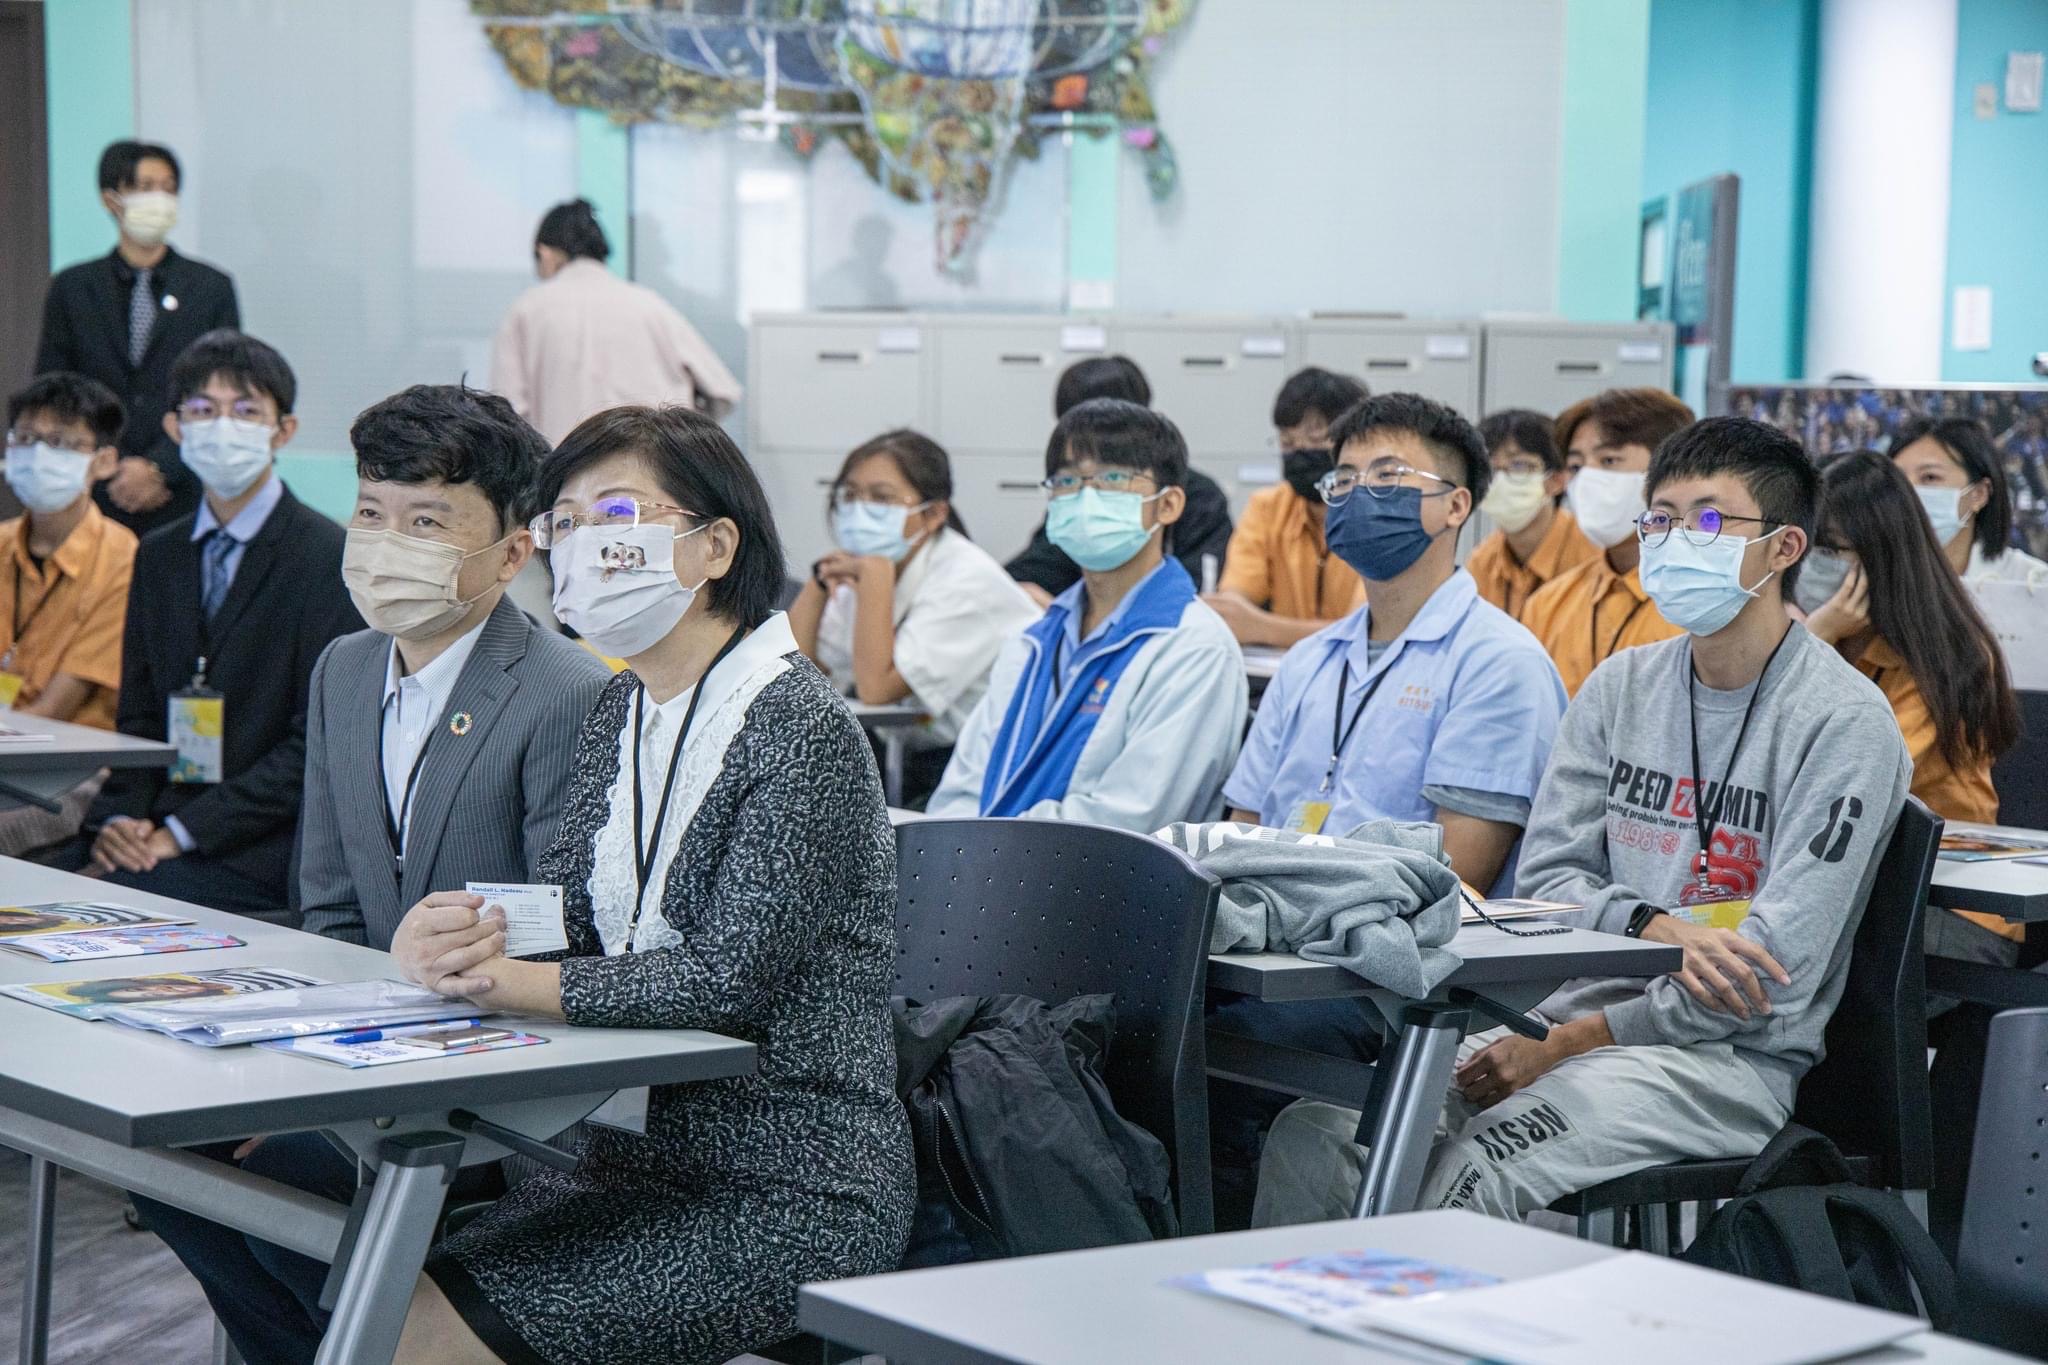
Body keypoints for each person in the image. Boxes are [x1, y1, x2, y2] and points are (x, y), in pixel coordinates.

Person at [1253, 417, 1914, 1225]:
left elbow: (1767, 977)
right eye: (1661, 518)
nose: (1675, 539)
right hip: (1549, 1016)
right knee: (1318, 1135)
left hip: (1715, 1062)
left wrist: (1573, 1041)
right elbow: (1548, 881)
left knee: (1470, 1174)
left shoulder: (1844, 721)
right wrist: (1648, 924)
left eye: (1708, 519)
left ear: (1784, 547)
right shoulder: (1620, 687)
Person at [377, 404, 911, 1364]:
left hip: (786, 1181)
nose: (585, 543)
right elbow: (571, 919)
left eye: (617, 513)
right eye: (567, 521)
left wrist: (511, 982)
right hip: (610, 1156)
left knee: (406, 1330)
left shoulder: (803, 727)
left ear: (715, 547)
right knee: (366, 1293)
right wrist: (460, 935)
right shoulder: (622, 702)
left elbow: (726, 979)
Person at [134, 383, 613, 1364]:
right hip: (362, 1049)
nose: (387, 544)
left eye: (427, 522)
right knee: (163, 1158)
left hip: (496, 1081)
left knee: (280, 1186)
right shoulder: (345, 669)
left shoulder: (565, 690)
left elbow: (566, 934)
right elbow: (329, 906)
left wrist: (346, 1096)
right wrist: (311, 1075)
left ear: (511, 553)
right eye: (371, 513)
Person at [45, 330, 362, 920]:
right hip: (154, 826)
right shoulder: (158, 553)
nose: (223, 427)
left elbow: (313, 744)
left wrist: (181, 834)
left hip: (262, 844)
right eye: (203, 410)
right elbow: (139, 717)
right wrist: (119, 822)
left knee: (103, 907)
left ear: (283, 430)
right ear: (175, 428)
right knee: (35, 890)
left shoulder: (325, 556)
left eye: (245, 411)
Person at [1221, 393, 1567, 898]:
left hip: (1402, 940)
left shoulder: (1499, 663)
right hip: (1269, 928)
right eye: (1344, 479)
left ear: (1455, 505)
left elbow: (1452, 880)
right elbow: (1241, 830)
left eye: (1388, 475)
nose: (1359, 492)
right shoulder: (1308, 660)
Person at [929, 398, 1247, 832]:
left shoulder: (1195, 648)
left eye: (1113, 478)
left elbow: (1130, 819)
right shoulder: (1032, 641)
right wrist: (954, 850)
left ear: (1168, 505)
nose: (1086, 497)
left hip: (1099, 874)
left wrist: (985, 846)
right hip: (988, 864)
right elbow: (962, 789)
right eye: (1067, 481)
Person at [1796, 450, 2022, 960]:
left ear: (1881, 556)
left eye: (1831, 549)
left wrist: (1816, 638)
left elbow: (1857, 781)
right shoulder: (1823, 636)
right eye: (1807, 545)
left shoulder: (1947, 655)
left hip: (1947, 906)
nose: (1811, 564)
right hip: (1853, 887)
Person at [789, 429, 1040, 804]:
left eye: (881, 498)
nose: (860, 510)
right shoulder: (871, 569)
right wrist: (818, 584)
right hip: (911, 756)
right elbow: (795, 675)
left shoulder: (965, 580)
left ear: (934, 514)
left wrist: (875, 579)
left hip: (988, 767)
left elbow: (877, 690)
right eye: (850, 495)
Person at [34, 140, 239, 535]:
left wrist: (161, 467)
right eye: (145, 187)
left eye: (168, 187)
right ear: (111, 198)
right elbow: (55, 389)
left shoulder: (211, 288)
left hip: (184, 489)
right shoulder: (73, 287)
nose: (159, 198)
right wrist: (107, 462)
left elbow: (223, 390)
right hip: (93, 487)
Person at [0, 374, 137, 856]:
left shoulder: (124, 558)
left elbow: (53, 713)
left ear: (104, 461)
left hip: (71, 768)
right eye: (25, 438)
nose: (38, 454)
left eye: (59, 442)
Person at [489, 199, 741, 445]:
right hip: (653, 463)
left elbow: (507, 413)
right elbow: (724, 391)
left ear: (544, 253)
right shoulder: (651, 306)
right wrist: (679, 439)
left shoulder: (526, 310)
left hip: (564, 466)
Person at [1004, 356, 1234, 606]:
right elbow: (1035, 569)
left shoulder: (1200, 498)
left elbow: (1202, 596)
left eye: (1112, 477)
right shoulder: (1076, 497)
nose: (1089, 494)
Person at [1521, 388, 1694, 694]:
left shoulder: (1698, 601)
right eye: (1576, 466)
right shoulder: (1548, 605)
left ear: (1669, 468)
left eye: (1609, 460)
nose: (1588, 479)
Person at [1204, 367, 1370, 647]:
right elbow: (1234, 607)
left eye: (1317, 441)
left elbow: (1365, 631)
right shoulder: (1268, 507)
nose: (1301, 452)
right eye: (1288, 443)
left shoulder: (1378, 515)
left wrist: (1262, 627)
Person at [1463, 408, 1598, 620]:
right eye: (1489, 468)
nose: (1500, 480)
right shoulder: (1483, 562)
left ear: (1557, 480)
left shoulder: (1592, 555)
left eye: (1518, 465)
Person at [1890, 416, 2048, 586]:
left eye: (1930, 477)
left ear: (1979, 494)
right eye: (1897, 479)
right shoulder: (1874, 577)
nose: (1908, 491)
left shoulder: (2032, 582)